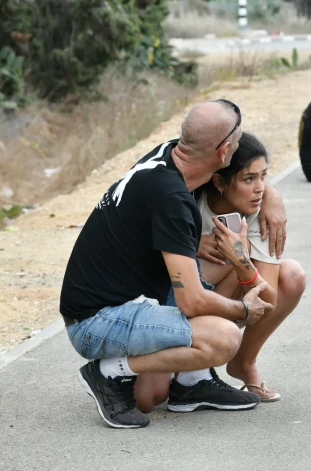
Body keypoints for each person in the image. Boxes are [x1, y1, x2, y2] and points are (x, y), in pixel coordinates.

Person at [60, 100, 289, 429]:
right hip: (96, 321)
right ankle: (106, 373)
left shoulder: (168, 156)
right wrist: (242, 311)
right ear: (224, 151)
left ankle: (193, 383)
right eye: (236, 144)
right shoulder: (172, 198)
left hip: (120, 300)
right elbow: (191, 300)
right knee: (222, 338)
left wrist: (270, 194)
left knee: (225, 255)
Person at [134, 132, 306, 410]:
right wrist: (189, 245)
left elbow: (269, 302)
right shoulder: (187, 193)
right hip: (165, 303)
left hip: (213, 303)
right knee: (147, 398)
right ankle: (139, 362)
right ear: (219, 181)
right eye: (250, 179)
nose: (260, 188)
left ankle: (234, 364)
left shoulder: (259, 213)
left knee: (291, 275)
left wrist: (240, 260)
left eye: (264, 177)